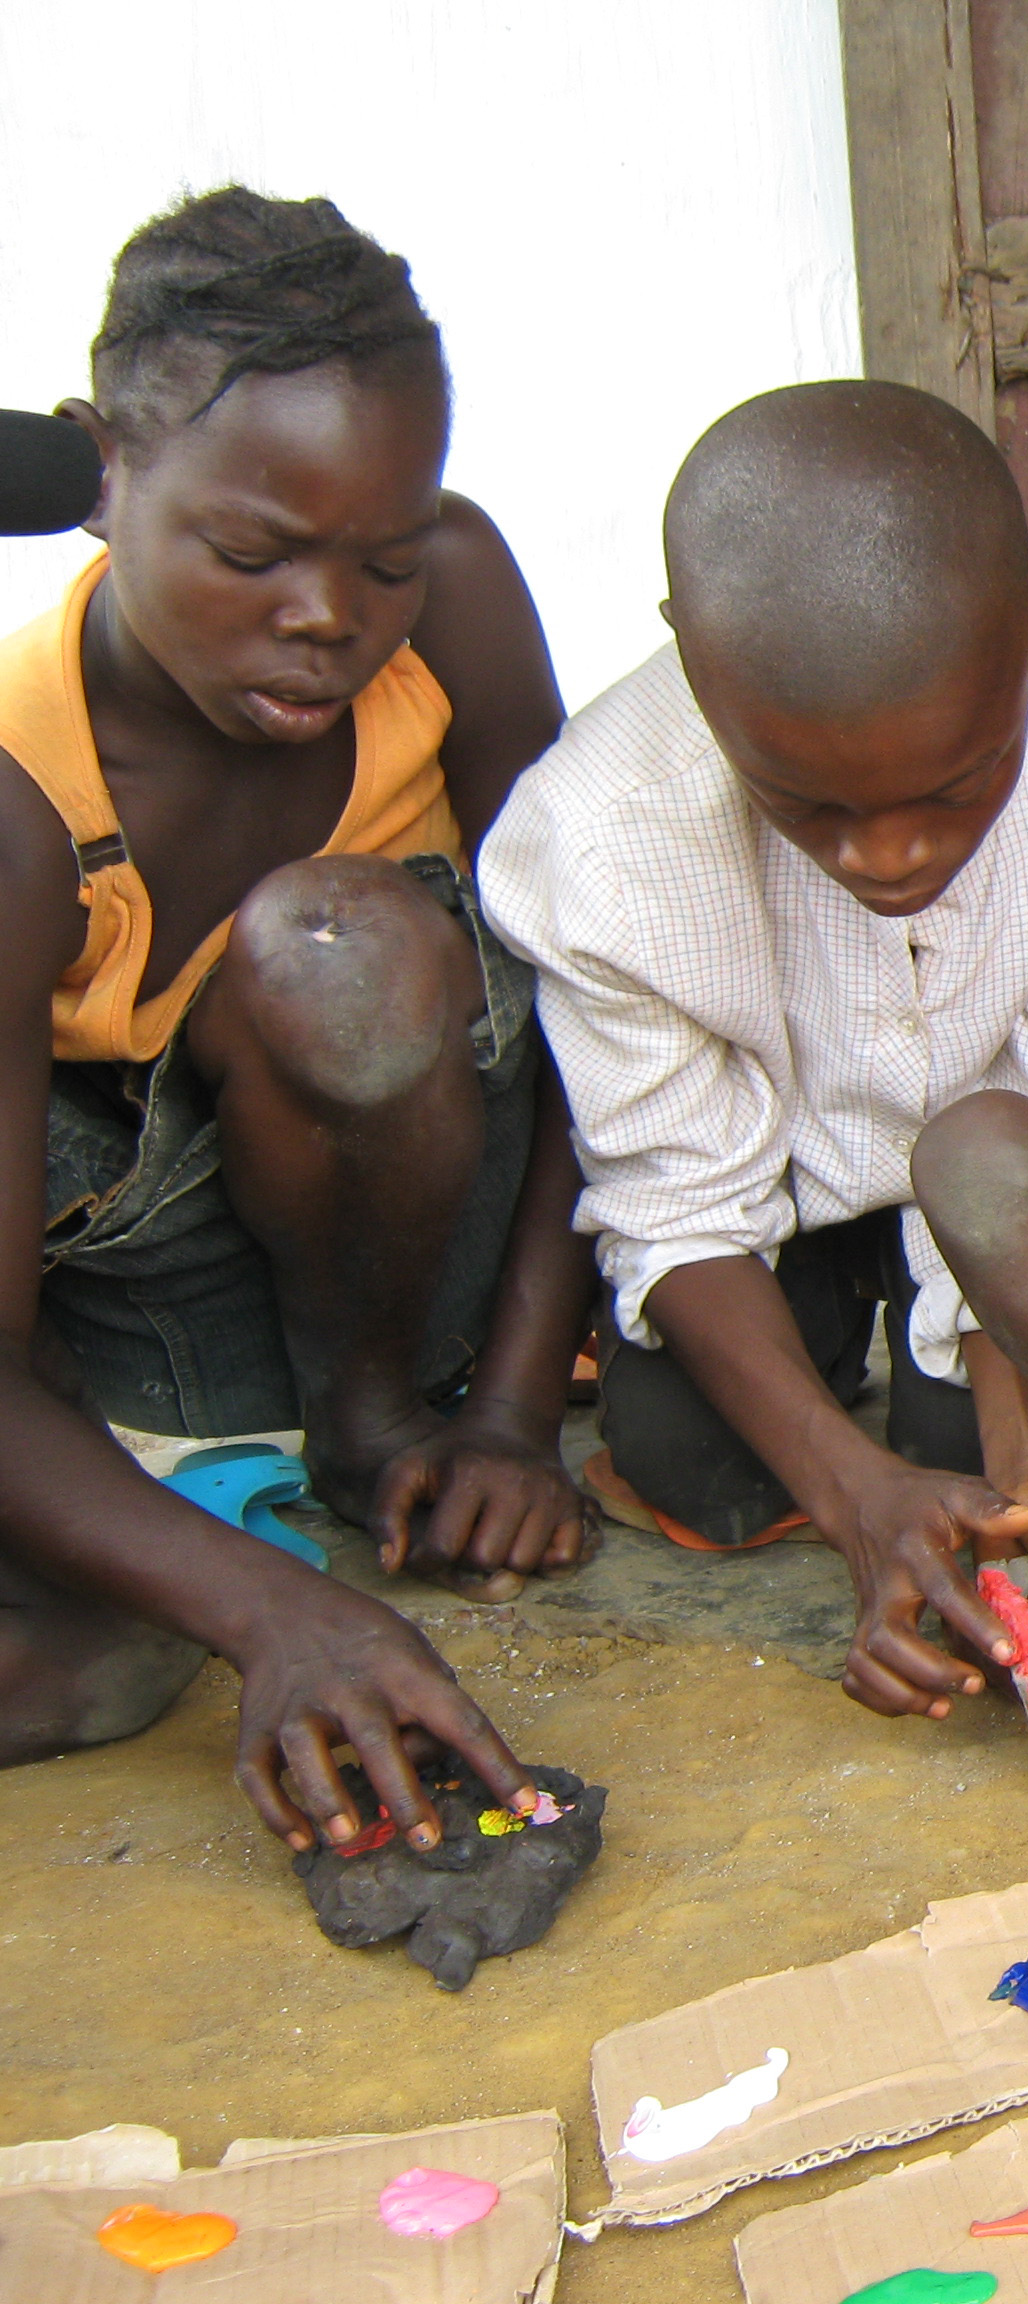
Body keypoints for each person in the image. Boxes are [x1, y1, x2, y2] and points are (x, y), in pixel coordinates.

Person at [485, 379, 1028, 1726]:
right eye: (811, 808)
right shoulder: (598, 835)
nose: (886, 858)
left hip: (1003, 1170)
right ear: (692, 660)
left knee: (1013, 1470)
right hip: (768, 1191)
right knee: (698, 1461)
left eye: (956, 787)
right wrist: (861, 1504)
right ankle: (855, 1398)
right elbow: (674, 1208)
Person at [0, 188, 578, 1852]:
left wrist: (522, 1409)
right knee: (85, 1665)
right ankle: (192, 1493)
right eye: (253, 554)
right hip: (142, 1311)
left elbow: (607, 1007)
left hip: (414, 1284)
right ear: (107, 474)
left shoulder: (451, 605)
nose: (332, 615)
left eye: (379, 555)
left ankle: (365, 1425)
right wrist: (273, 1613)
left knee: (337, 934)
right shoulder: (21, 800)